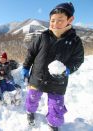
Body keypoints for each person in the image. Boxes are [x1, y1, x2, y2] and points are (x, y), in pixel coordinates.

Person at [21, 2, 84, 130]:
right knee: (32, 99)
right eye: (52, 20)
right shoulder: (42, 36)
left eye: (60, 20)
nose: (55, 23)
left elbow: (78, 60)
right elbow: (31, 53)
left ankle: (53, 124)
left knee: (56, 107)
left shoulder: (75, 41)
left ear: (70, 19)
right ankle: (30, 112)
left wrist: (67, 70)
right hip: (37, 77)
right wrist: (26, 67)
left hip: (58, 81)